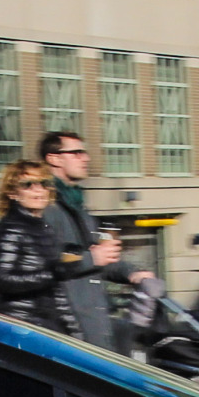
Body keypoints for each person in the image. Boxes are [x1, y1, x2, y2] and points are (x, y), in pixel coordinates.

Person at [39, 132, 153, 352]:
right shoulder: (46, 207)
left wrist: (131, 273)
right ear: (54, 159)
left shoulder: (77, 205)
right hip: (69, 327)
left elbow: (96, 258)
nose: (86, 158)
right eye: (76, 152)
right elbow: (49, 261)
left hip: (93, 320)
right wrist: (93, 257)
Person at [0, 160, 87, 333]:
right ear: (12, 193)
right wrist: (54, 273)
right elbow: (3, 280)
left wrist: (73, 329)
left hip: (45, 326)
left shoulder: (44, 228)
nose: (38, 189)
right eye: (28, 184)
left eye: (44, 183)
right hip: (21, 327)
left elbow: (56, 290)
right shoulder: (10, 227)